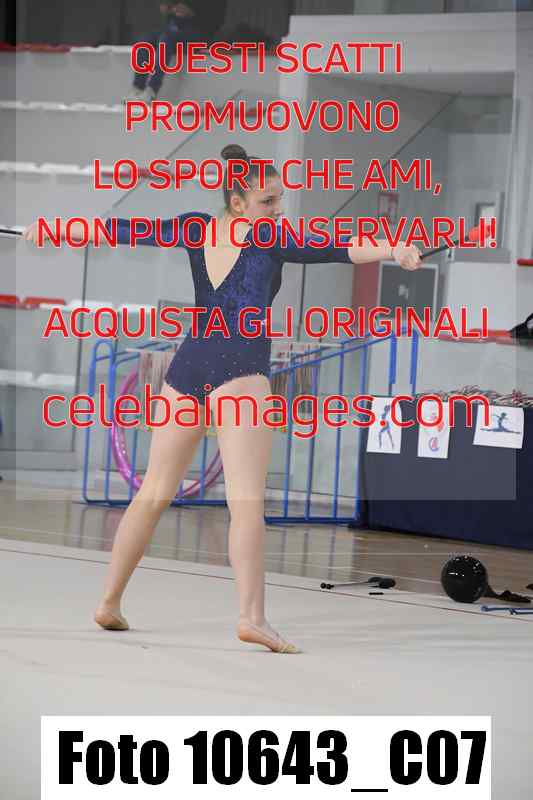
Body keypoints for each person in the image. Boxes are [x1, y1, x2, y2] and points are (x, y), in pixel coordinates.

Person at [23, 144, 422, 653]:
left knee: (152, 492)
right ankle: (252, 618)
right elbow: (340, 247)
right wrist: (394, 248)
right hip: (241, 374)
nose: (277, 208)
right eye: (268, 200)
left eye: (278, 200)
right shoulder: (271, 237)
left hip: (188, 368)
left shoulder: (196, 227)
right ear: (238, 202)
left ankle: (109, 602)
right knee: (246, 504)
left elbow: (123, 230)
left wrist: (57, 229)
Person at [126, 2, 203, 102]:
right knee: (143, 42)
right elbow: (167, 10)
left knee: (165, 40)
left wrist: (188, 10)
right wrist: (170, 9)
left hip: (193, 33)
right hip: (173, 28)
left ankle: (152, 90)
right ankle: (138, 87)